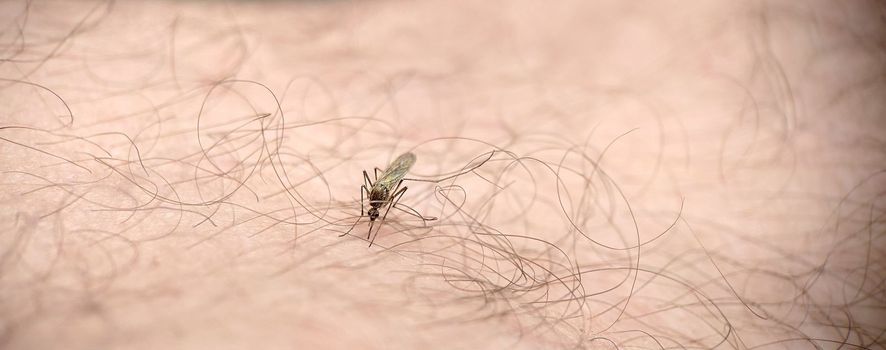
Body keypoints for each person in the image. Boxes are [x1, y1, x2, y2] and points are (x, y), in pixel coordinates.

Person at [0, 0, 883, 348]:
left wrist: (382, 200)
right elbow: (376, 185)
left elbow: (393, 183)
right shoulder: (375, 189)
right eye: (377, 206)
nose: (376, 209)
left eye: (378, 207)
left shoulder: (393, 188)